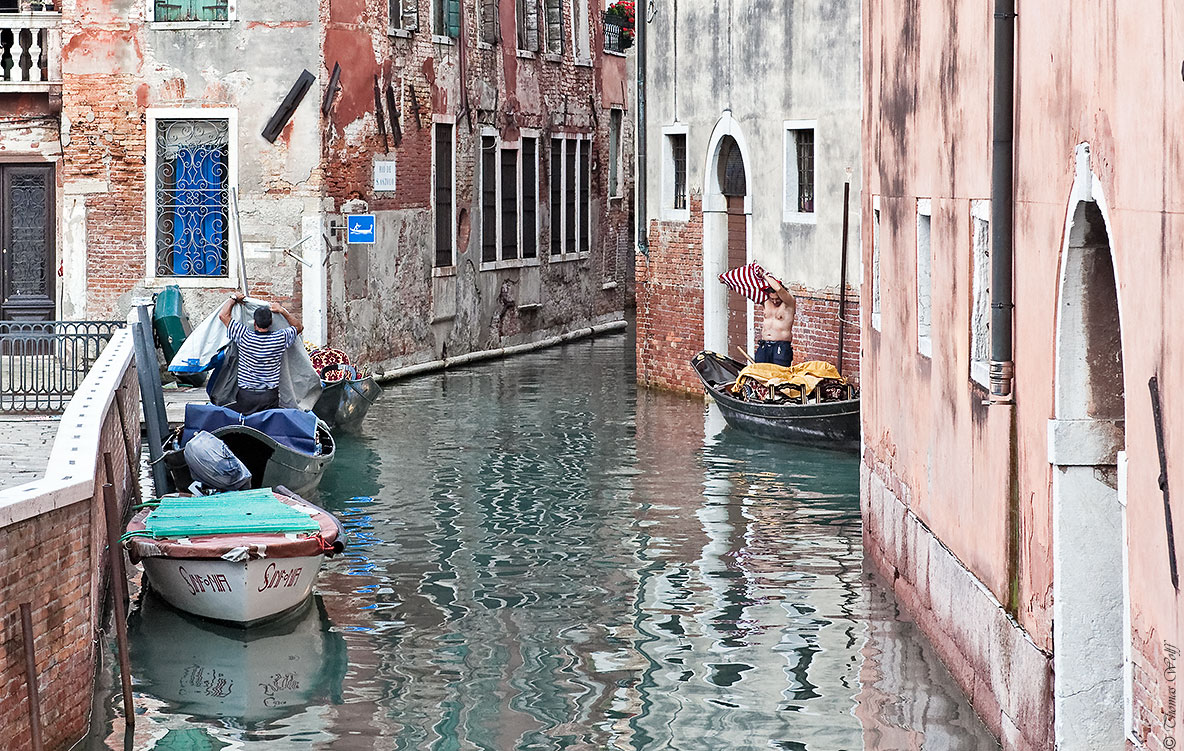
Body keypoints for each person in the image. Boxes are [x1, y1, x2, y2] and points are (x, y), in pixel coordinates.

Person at [217, 291, 303, 414]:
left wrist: (234, 298)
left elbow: (223, 316)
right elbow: (299, 327)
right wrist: (282, 311)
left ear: (255, 323)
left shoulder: (244, 335)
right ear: (271, 323)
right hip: (269, 396)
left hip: (246, 396)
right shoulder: (280, 338)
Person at [755, 273, 796, 367]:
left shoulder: (789, 303)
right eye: (772, 298)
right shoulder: (766, 302)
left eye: (777, 299)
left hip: (781, 346)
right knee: (760, 373)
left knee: (780, 376)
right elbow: (750, 289)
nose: (774, 301)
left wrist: (764, 275)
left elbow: (779, 289)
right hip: (764, 345)